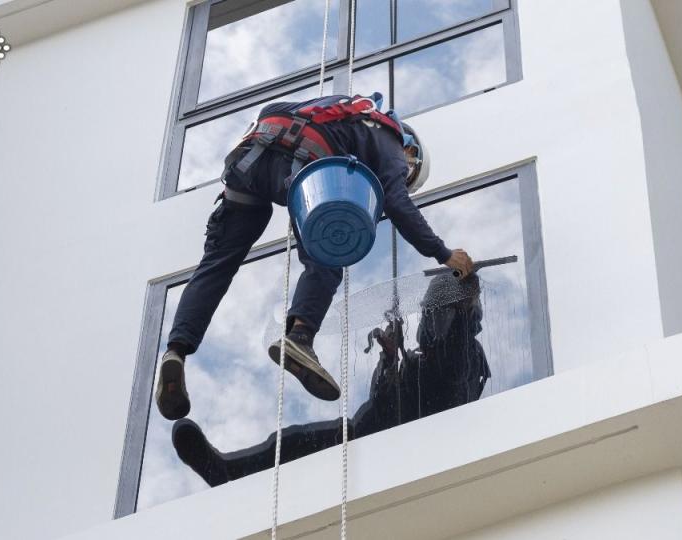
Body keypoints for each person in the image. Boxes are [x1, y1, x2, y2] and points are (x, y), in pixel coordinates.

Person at [156, 93, 475, 421]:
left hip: (249, 158)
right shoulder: (391, 141)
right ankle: (300, 337)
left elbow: (271, 110)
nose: (400, 175)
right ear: (412, 152)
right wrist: (443, 253)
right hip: (305, 161)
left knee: (217, 265)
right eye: (408, 174)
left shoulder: (337, 110)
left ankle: (176, 351)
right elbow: (396, 202)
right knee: (329, 247)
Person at [170, 273, 491, 486]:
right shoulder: (417, 363)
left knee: (301, 444)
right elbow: (382, 404)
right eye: (429, 311)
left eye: (440, 311)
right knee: (295, 440)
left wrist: (462, 301)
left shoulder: (467, 356)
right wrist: (389, 358)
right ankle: (227, 472)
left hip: (404, 453)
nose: (429, 320)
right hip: (370, 438)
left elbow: (450, 377)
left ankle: (229, 473)